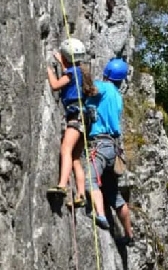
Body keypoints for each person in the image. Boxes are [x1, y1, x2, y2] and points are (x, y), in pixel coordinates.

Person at [82, 58, 134, 245]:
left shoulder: (103, 87)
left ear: (106, 74)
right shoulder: (118, 97)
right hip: (113, 148)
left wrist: (83, 71)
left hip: (100, 145)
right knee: (113, 194)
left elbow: (91, 89)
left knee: (90, 179)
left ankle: (100, 215)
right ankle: (129, 235)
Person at [46, 38, 98, 207]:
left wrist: (47, 70)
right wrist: (62, 63)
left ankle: (62, 186)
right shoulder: (79, 71)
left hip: (75, 119)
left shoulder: (72, 72)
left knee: (66, 150)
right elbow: (70, 77)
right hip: (85, 120)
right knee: (76, 158)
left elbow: (55, 85)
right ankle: (81, 194)